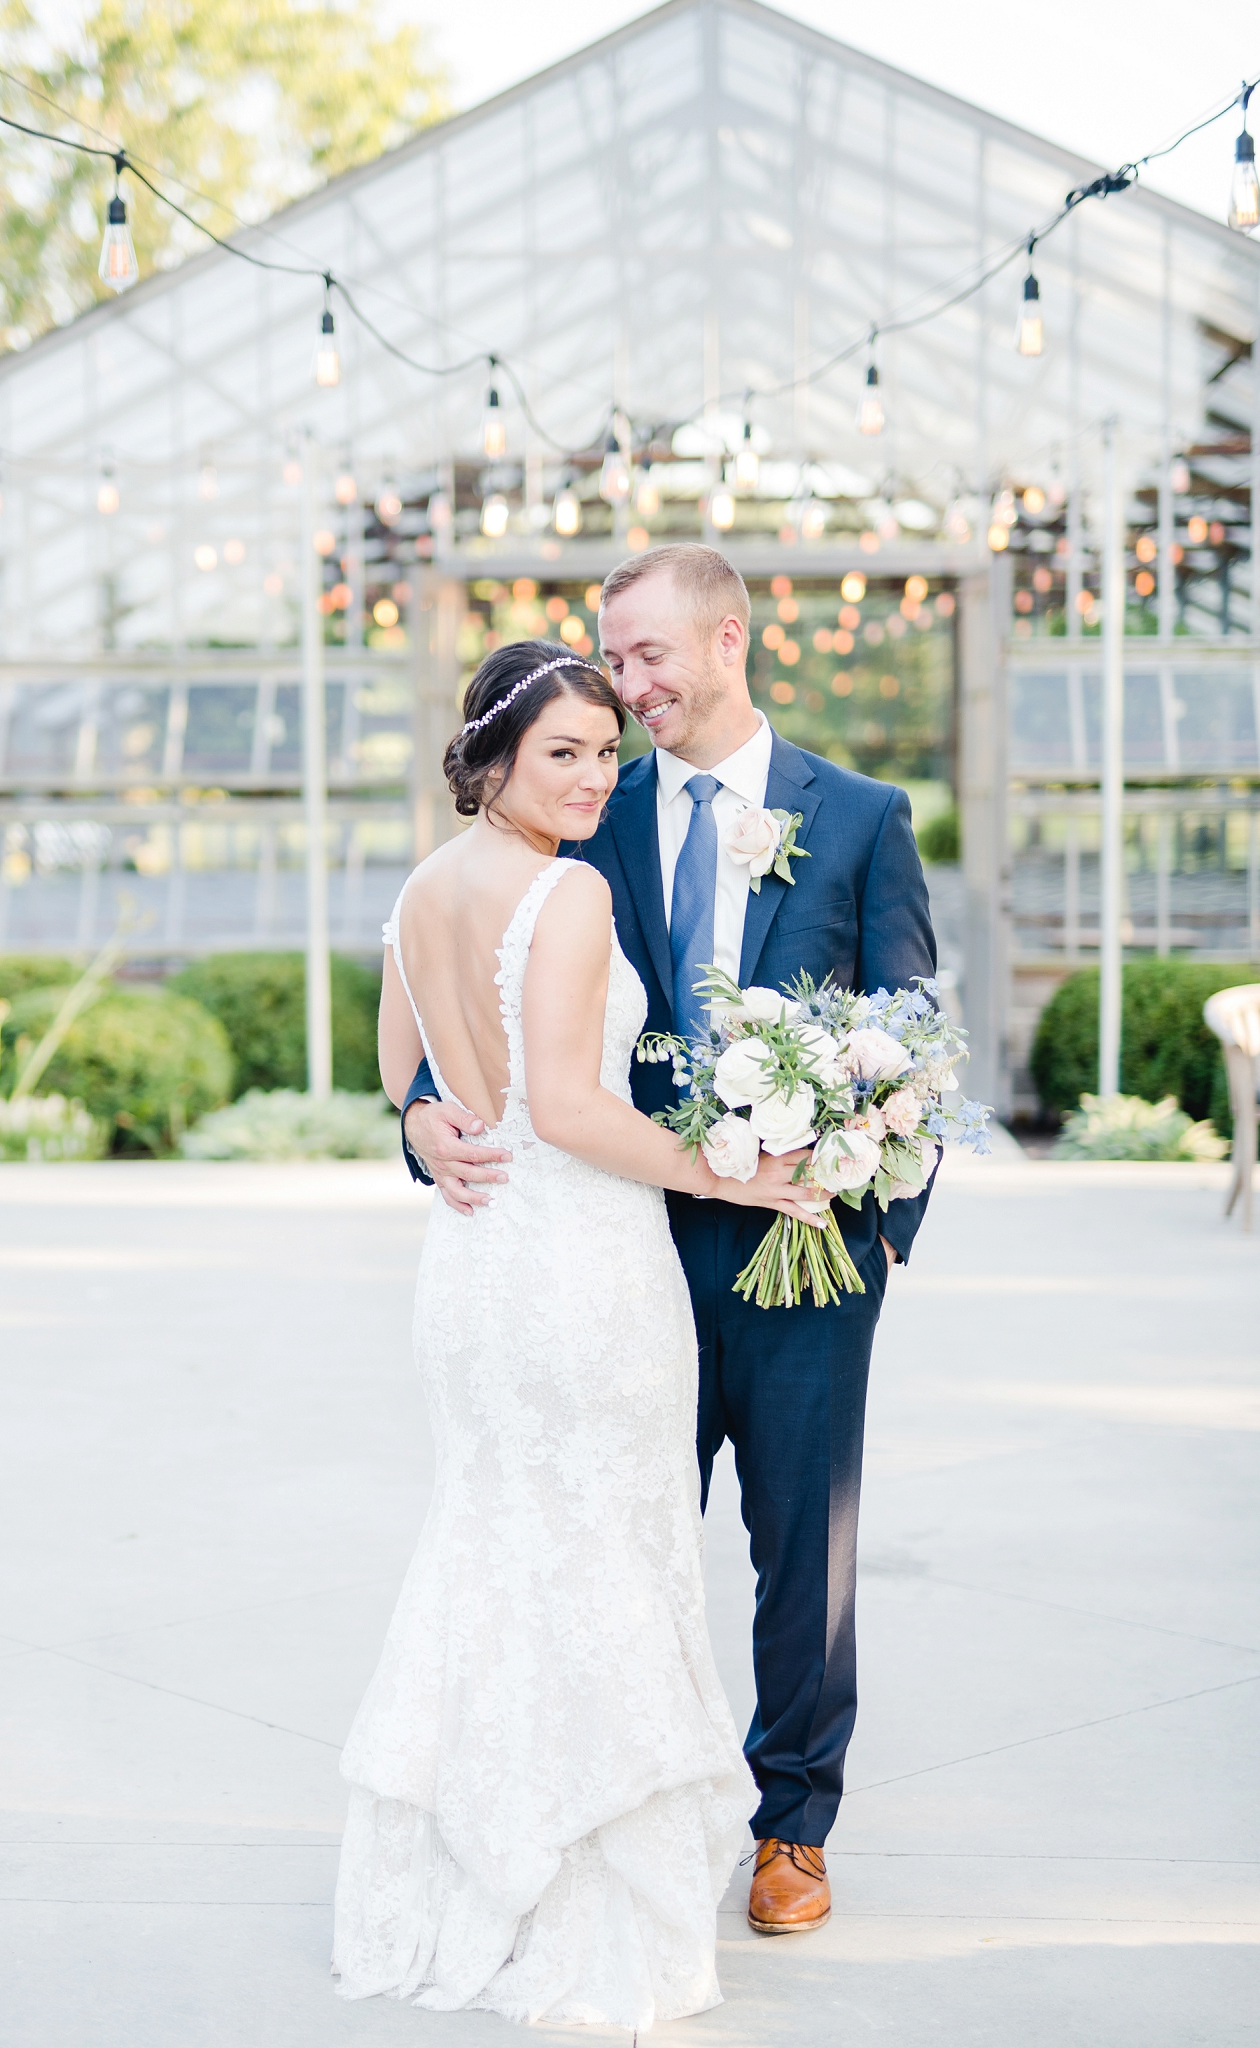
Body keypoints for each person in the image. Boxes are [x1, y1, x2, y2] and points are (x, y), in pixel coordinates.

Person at [403, 545, 937, 1939]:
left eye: (646, 655)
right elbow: (482, 990)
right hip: (618, 1243)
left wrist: (879, 1225)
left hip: (802, 1250)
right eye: (612, 658)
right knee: (621, 1545)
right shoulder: (582, 807)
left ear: (727, 639)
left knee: (802, 1549)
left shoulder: (861, 816)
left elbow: (913, 1031)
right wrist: (419, 1118)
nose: (626, 686)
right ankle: (616, 1813)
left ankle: (790, 1826)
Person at [333, 641, 821, 2028]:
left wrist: (429, 1123)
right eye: (563, 753)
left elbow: (402, 1071)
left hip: (474, 1266)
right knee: (601, 1554)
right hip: (581, 1269)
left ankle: (470, 1870)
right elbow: (569, 1108)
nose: (597, 778)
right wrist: (736, 1174)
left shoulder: (423, 889)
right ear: (491, 759)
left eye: (608, 752)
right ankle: (576, 1891)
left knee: (493, 1546)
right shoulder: (568, 891)